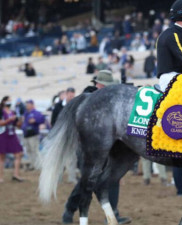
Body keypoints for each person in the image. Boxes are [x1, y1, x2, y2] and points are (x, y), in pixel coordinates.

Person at [63, 70, 131, 224]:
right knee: (87, 181)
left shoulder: (109, 99)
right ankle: (70, 209)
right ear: (99, 84)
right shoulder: (88, 97)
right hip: (88, 147)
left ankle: (112, 214)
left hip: (110, 146)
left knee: (112, 178)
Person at [0, 96, 23, 182]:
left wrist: (19, 121)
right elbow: (1, 123)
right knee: (1, 157)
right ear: (4, 102)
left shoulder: (13, 112)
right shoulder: (1, 112)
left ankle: (16, 175)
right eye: (8, 101)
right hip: (3, 135)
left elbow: (17, 125)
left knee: (18, 154)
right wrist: (9, 119)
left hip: (12, 135)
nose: (10, 102)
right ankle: (0, 177)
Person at [22, 100, 45, 171]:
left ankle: (39, 165)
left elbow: (42, 119)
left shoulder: (36, 113)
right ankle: (33, 164)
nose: (27, 106)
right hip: (26, 134)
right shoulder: (26, 113)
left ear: (32, 105)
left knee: (35, 150)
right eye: (27, 104)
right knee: (29, 150)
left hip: (33, 134)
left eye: (28, 104)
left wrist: (35, 120)